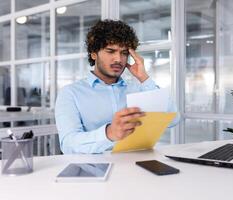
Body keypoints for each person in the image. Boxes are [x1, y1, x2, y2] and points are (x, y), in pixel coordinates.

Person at [55, 19, 178, 154]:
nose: (118, 59)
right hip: (94, 169)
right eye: (110, 51)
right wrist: (109, 133)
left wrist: (144, 78)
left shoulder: (138, 88)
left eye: (124, 53)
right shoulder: (70, 93)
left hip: (136, 165)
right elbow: (68, 144)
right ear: (94, 53)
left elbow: (174, 119)